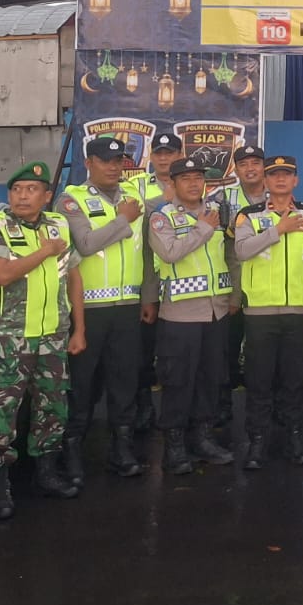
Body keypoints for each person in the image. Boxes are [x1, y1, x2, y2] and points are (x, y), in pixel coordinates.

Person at [0, 161, 86, 519]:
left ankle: (46, 474)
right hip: (9, 339)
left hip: (53, 336)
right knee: (1, 414)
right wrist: (44, 251)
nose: (22, 196)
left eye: (31, 189)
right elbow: (2, 274)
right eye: (17, 189)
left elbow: (73, 277)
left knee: (52, 408)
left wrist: (79, 329)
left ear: (46, 195)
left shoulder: (58, 225)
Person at [57, 136, 148, 484]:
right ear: (89, 162)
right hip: (88, 310)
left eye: (118, 160)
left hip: (127, 307)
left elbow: (145, 251)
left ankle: (121, 450)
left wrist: (147, 298)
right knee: (81, 384)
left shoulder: (134, 197)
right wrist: (122, 220)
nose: (113, 166)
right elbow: (85, 244)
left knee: (124, 382)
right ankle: (72, 453)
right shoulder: (72, 199)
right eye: (105, 160)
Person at [232, 155, 303, 469]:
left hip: (298, 310)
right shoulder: (249, 215)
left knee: (295, 379)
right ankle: (257, 441)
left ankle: (294, 437)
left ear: (296, 180)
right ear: (265, 181)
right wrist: (279, 229)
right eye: (274, 175)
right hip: (260, 312)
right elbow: (241, 251)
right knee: (259, 379)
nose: (281, 179)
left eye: (287, 174)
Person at [148, 156, 236, 475]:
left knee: (210, 379)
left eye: (198, 178)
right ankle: (174, 447)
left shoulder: (217, 212)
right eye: (186, 178)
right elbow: (169, 252)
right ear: (172, 183)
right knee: (178, 381)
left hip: (216, 311)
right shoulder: (162, 217)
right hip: (180, 314)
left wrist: (233, 294)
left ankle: (202, 438)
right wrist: (203, 228)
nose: (194, 183)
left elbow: (229, 254)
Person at [210, 144, 270, 429]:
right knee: (226, 349)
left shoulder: (278, 195)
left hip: (268, 285)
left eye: (255, 163)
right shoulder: (222, 197)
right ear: (235, 169)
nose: (250, 169)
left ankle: (264, 408)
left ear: (263, 166)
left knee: (264, 354)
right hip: (233, 285)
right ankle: (223, 405)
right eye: (244, 164)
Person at [132, 130, 186, 433]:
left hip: (182, 287)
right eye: (159, 153)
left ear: (180, 155)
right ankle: (144, 408)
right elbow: (132, 216)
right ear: (151, 156)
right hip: (149, 280)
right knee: (142, 353)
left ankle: (177, 415)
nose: (164, 159)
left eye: (171, 153)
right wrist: (163, 201)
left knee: (175, 358)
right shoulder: (136, 185)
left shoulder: (192, 182)